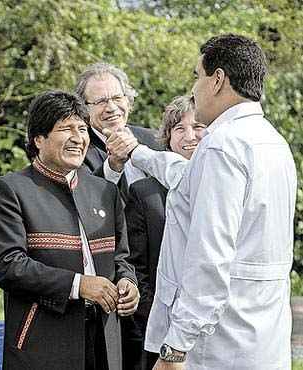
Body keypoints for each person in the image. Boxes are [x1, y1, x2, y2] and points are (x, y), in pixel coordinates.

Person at [127, 34, 296, 370]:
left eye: (196, 76)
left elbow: (209, 257)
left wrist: (175, 348)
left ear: (217, 79)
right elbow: (180, 175)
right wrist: (137, 153)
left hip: (218, 343)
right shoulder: (274, 143)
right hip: (265, 337)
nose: (194, 88)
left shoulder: (222, 146)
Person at [0, 90, 139, 370]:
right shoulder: (12, 190)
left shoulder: (105, 190)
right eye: (66, 129)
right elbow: (8, 265)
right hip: (43, 342)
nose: (78, 138)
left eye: (82, 128)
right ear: (38, 139)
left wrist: (128, 282)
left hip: (106, 340)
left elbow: (121, 258)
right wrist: (79, 285)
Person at [122, 96, 206, 370]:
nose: (189, 136)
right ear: (167, 138)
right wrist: (155, 319)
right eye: (179, 129)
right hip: (162, 326)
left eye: (197, 127)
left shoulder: (225, 184)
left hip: (212, 328)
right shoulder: (144, 193)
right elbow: (137, 264)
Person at [74, 63, 161, 199]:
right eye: (101, 101)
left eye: (117, 98)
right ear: (84, 109)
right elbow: (87, 199)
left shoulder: (155, 139)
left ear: (128, 100)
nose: (112, 108)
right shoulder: (78, 150)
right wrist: (113, 166)